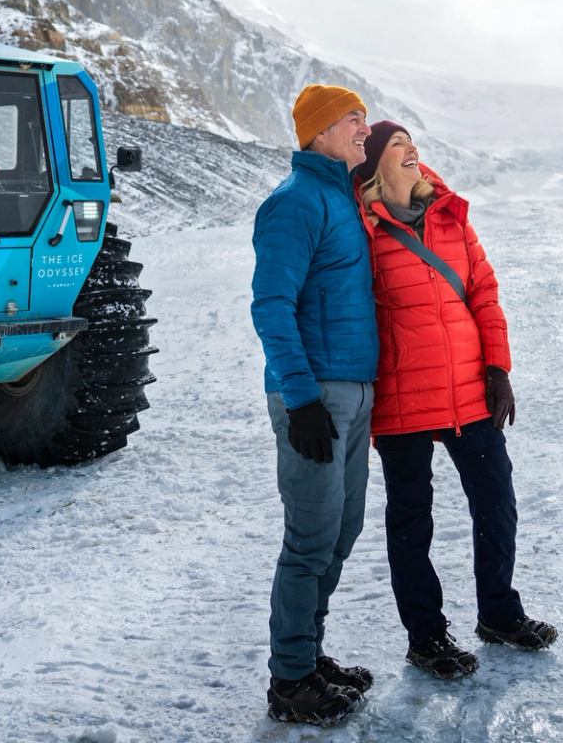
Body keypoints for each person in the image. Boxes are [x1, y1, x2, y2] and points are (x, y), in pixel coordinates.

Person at [354, 120, 558, 679]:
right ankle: (426, 637)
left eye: (412, 143)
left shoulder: (451, 218)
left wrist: (498, 368)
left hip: (470, 388)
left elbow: (484, 294)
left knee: (497, 502)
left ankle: (498, 613)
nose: (411, 150)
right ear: (373, 166)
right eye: (397, 145)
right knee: (411, 520)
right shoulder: (359, 230)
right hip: (400, 396)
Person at [249, 84, 380, 725]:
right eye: (354, 119)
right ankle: (291, 679)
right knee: (309, 540)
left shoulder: (342, 198)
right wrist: (301, 399)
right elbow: (271, 304)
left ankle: (310, 652)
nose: (365, 127)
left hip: (353, 389)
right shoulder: (295, 202)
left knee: (343, 529)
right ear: (321, 131)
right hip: (314, 394)